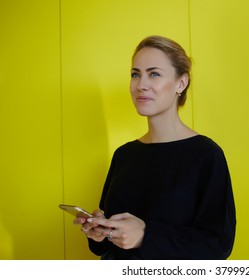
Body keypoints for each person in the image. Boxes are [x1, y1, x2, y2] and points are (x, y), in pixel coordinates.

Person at [74, 35, 236, 259]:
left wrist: (145, 235)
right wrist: (100, 233)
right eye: (135, 74)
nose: (141, 85)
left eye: (154, 74)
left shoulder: (206, 155)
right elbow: (106, 246)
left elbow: (218, 245)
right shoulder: (124, 155)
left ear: (181, 83)